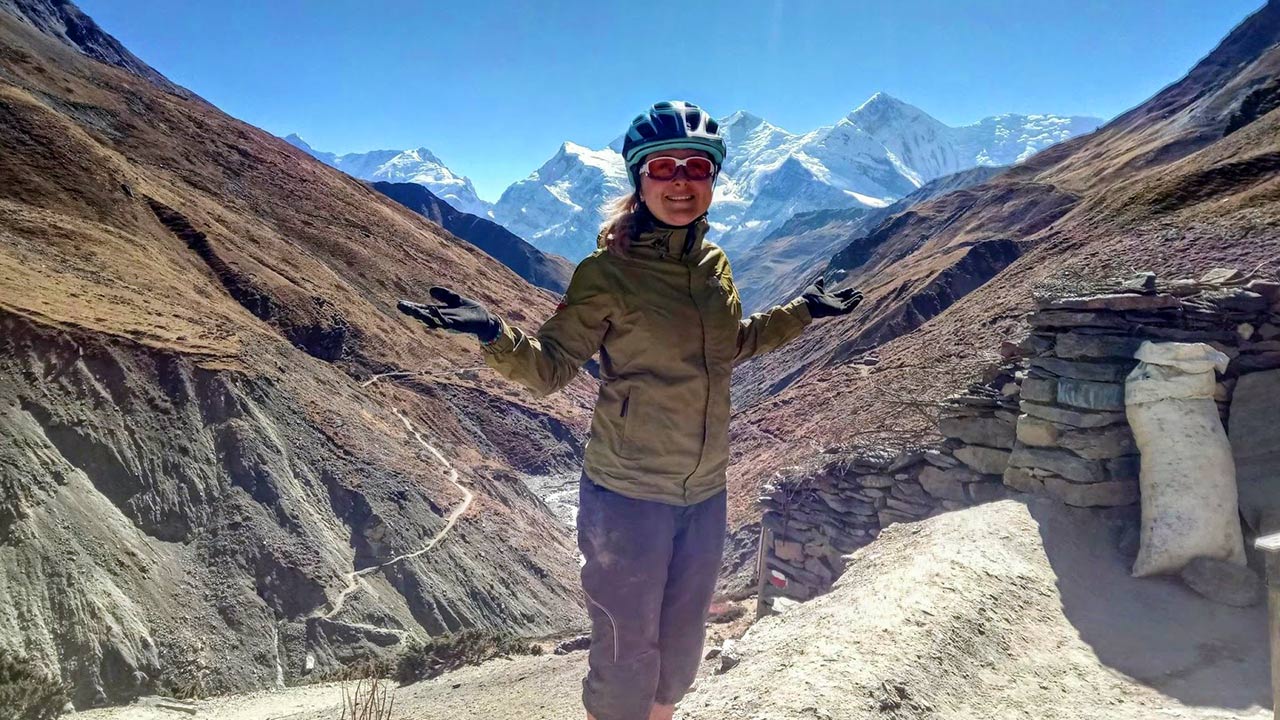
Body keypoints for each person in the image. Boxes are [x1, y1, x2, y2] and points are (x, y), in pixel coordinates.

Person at [398, 100, 863, 720]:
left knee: (679, 654)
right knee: (623, 657)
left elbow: (729, 345)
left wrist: (804, 312)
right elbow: (551, 366)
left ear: (713, 179)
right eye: (663, 167)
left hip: (704, 491)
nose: (680, 180)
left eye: (695, 167)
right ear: (638, 179)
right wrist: (493, 335)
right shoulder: (607, 273)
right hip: (627, 494)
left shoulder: (713, 267)